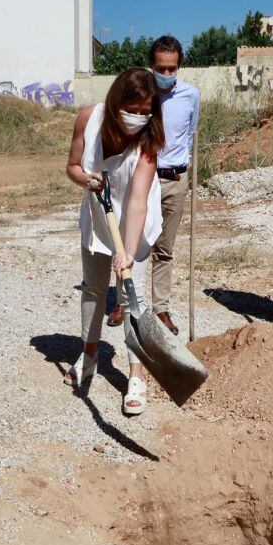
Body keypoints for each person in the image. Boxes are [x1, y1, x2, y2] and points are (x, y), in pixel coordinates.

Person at [64, 67, 164, 415]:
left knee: (131, 298)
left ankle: (136, 375)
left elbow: (137, 200)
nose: (138, 118)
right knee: (94, 289)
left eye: (144, 111)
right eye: (131, 110)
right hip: (98, 217)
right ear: (116, 101)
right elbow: (73, 166)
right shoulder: (89, 119)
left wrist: (130, 252)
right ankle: (89, 355)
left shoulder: (149, 140)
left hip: (133, 224)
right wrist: (87, 180)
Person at [107, 36, 199, 336]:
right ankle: (123, 302)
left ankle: (161, 308)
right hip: (141, 179)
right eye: (161, 68)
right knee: (128, 240)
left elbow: (189, 135)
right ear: (151, 65)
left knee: (164, 249)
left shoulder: (191, 95)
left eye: (173, 68)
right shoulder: (142, 98)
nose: (167, 74)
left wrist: (184, 167)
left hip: (174, 180)